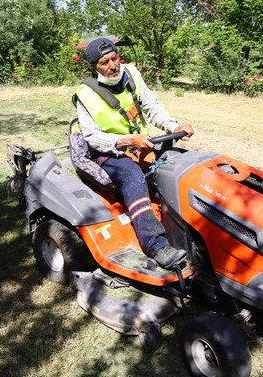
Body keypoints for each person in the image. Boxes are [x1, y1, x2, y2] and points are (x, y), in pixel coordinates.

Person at [72, 37, 194, 270]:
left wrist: (174, 126)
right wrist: (128, 141)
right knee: (131, 176)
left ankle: (189, 224)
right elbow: (91, 138)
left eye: (114, 58)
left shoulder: (132, 74)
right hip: (108, 152)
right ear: (93, 67)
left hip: (142, 144)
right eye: (104, 62)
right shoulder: (85, 95)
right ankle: (156, 245)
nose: (113, 65)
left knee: (179, 161)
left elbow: (152, 106)